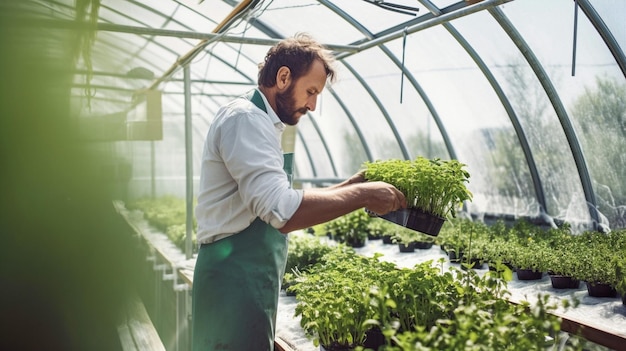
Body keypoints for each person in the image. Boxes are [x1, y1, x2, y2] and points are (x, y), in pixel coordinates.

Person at [191, 32, 406, 351]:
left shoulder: (262, 122)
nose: (313, 105)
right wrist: (364, 196)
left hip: (246, 283)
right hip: (232, 284)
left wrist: (348, 188)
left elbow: (274, 200)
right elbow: (281, 211)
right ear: (283, 77)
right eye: (311, 91)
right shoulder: (245, 120)